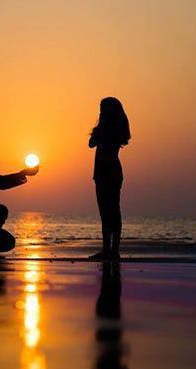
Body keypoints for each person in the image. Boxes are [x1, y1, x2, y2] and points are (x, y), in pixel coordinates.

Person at [88, 97, 131, 260]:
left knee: (108, 211)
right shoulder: (113, 128)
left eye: (102, 108)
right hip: (107, 171)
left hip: (107, 172)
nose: (100, 111)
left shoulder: (108, 129)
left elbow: (91, 143)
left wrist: (98, 130)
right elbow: (91, 143)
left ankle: (111, 250)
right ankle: (111, 249)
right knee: (111, 210)